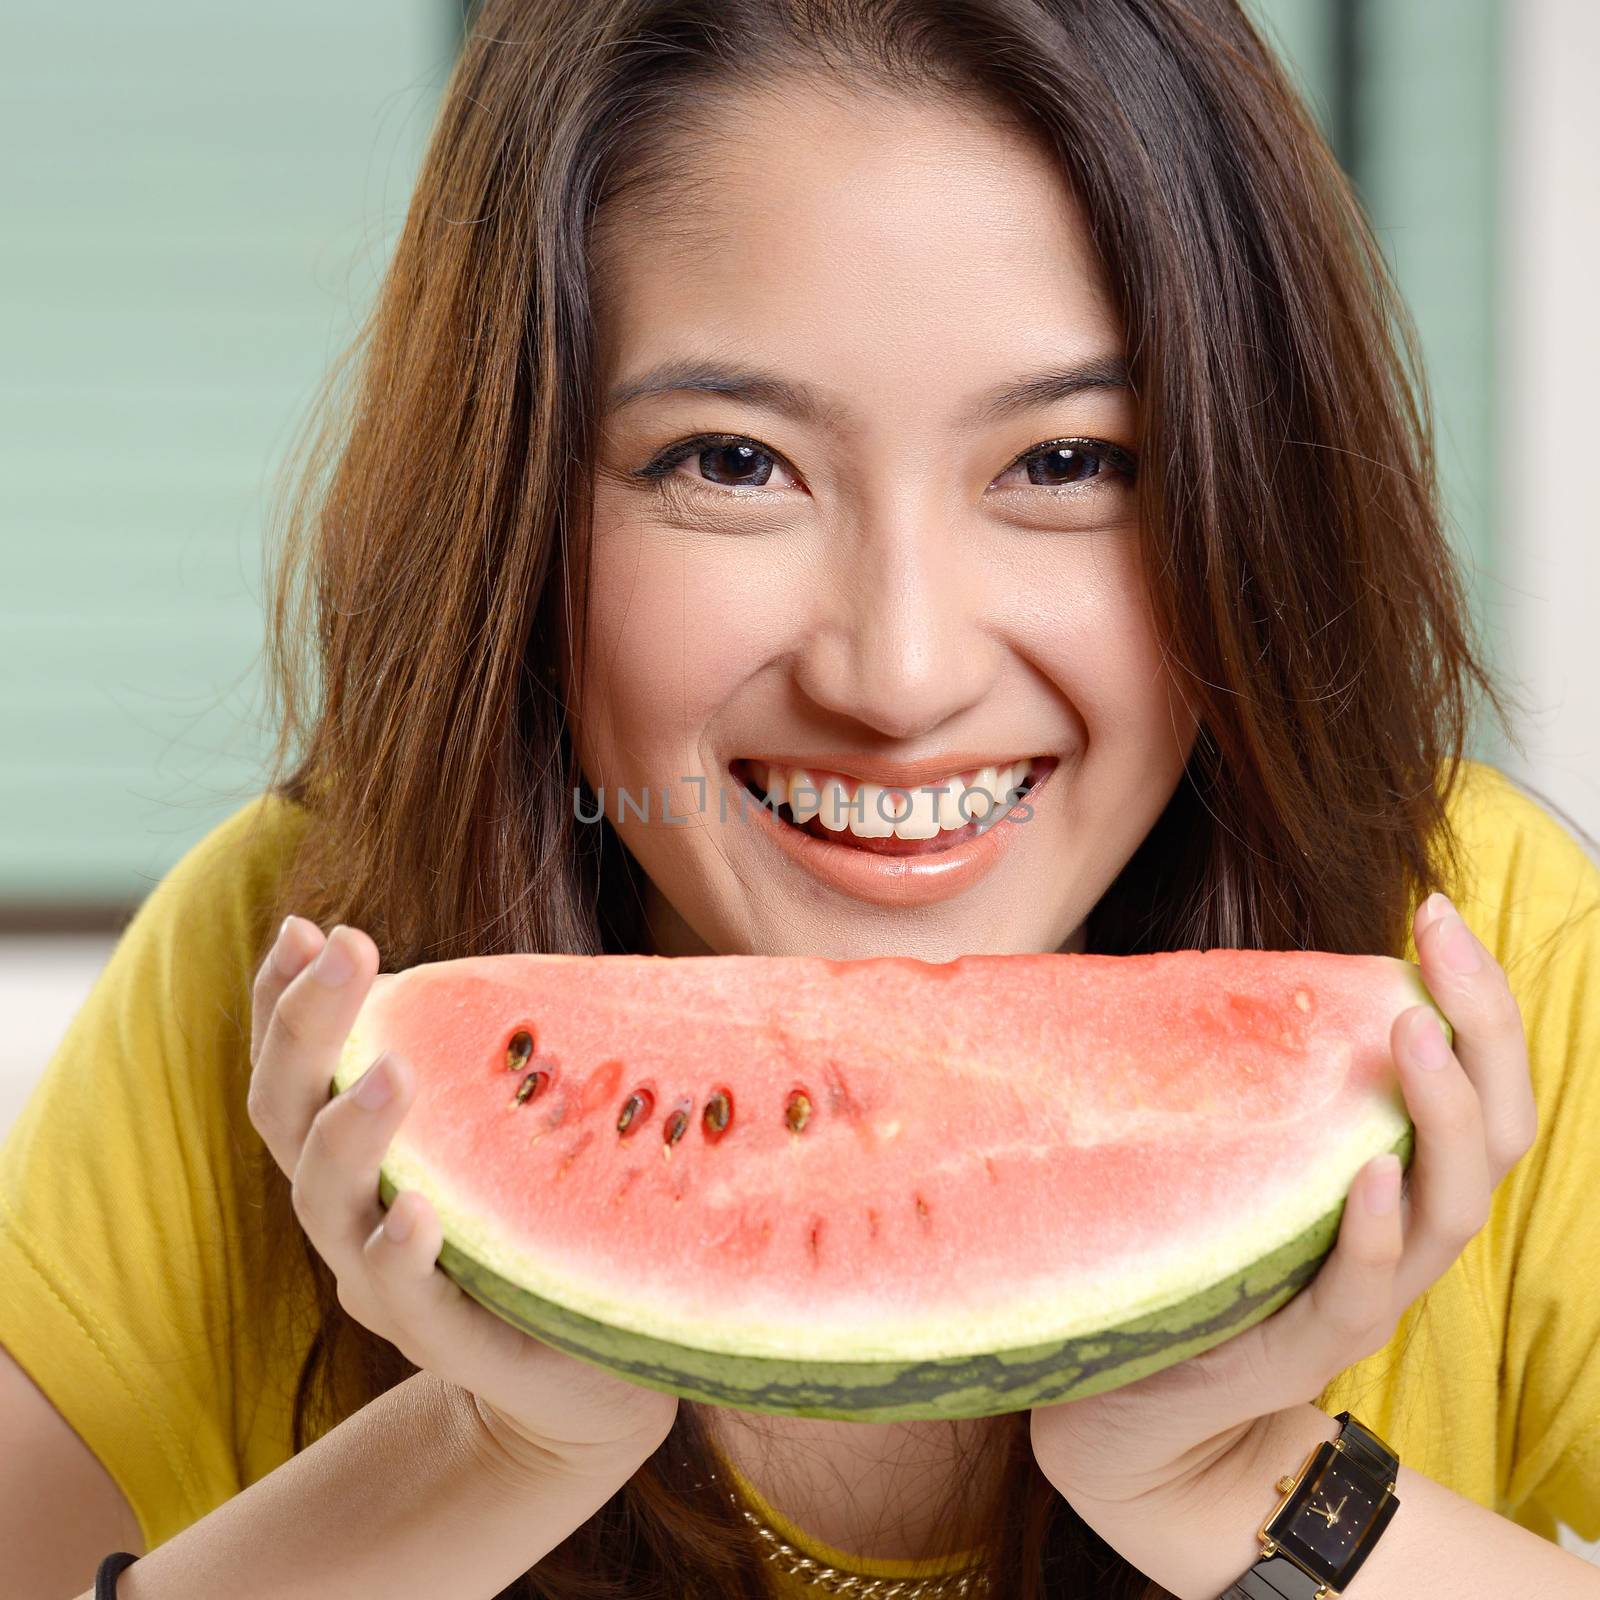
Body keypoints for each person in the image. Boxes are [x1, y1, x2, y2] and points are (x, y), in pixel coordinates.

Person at [3, 1, 1598, 1596]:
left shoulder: (1488, 951)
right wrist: (476, 1459)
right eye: (731, 461)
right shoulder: (296, 975)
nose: (898, 677)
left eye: (1067, 463)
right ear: (522, 512)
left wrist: (1246, 1497)